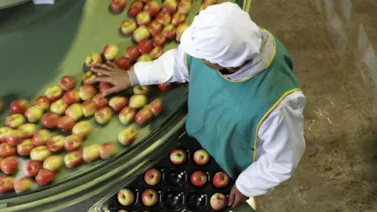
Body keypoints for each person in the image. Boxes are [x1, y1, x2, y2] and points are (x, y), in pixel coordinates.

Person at [89, 2, 306, 209]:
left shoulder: (277, 104)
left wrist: (246, 184)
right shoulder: (238, 41)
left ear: (223, 63)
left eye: (202, 55)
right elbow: (178, 62)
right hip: (199, 137)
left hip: (232, 160)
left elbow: (283, 160)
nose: (194, 55)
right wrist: (134, 75)